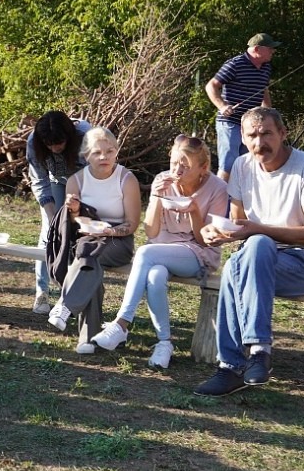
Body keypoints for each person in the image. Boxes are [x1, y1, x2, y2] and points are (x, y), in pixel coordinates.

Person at [193, 107, 304, 396]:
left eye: (267, 133)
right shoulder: (242, 167)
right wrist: (216, 232)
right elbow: (239, 223)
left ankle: (243, 358)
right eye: (252, 136)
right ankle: (242, 362)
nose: (260, 143)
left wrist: (258, 230)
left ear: (283, 134)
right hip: (257, 258)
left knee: (256, 245)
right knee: (239, 261)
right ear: (242, 139)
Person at [89, 135, 229, 368]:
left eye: (185, 165)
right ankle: (164, 342)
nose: (177, 170)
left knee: (145, 253)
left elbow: (206, 241)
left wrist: (194, 212)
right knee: (155, 275)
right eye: (174, 163)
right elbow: (152, 233)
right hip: (162, 249)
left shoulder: (218, 189)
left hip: (198, 254)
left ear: (203, 168)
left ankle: (121, 323)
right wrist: (156, 197)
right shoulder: (163, 180)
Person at [46, 127, 142, 353]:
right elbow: (71, 224)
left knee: (87, 258)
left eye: (109, 151)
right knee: (90, 261)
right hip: (86, 240)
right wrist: (75, 210)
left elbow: (132, 224)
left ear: (117, 152)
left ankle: (65, 305)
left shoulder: (127, 179)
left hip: (119, 241)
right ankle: (87, 339)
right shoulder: (75, 181)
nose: (104, 157)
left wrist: (109, 232)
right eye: (97, 153)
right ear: (86, 155)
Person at [27, 111, 91, 314]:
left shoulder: (86, 136)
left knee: (77, 236)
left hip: (84, 186)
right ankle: (42, 293)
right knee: (49, 233)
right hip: (55, 183)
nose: (55, 148)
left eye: (59, 143)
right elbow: (39, 180)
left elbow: (96, 174)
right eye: (49, 144)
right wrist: (51, 213)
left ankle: (71, 295)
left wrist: (76, 212)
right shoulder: (34, 142)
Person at [206, 33, 279, 180]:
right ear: (257, 49)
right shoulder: (235, 64)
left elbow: (264, 91)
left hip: (251, 126)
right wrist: (222, 106)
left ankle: (242, 201)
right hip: (230, 122)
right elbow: (211, 86)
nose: (273, 51)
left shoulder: (266, 67)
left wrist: (269, 114)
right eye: (270, 48)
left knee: (249, 165)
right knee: (228, 166)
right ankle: (219, 201)